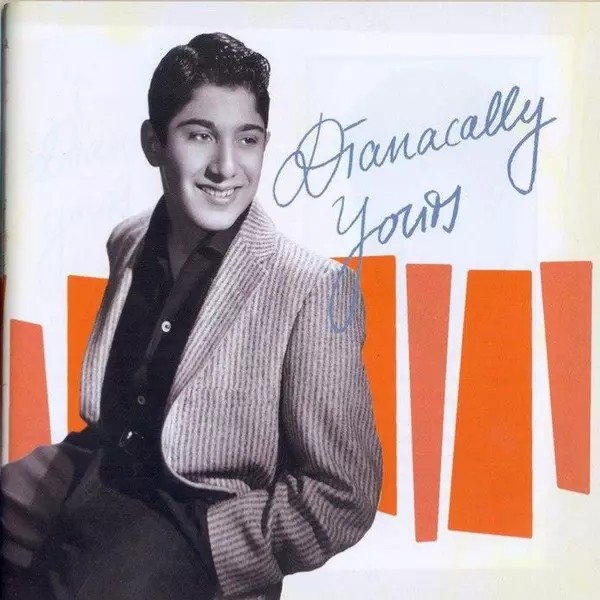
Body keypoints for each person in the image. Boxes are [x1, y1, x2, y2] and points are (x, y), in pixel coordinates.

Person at [1, 32, 383, 600]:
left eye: (247, 139)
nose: (225, 167)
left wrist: (214, 543)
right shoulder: (129, 240)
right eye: (200, 135)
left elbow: (343, 494)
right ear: (154, 143)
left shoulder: (314, 289)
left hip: (192, 520)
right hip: (97, 467)